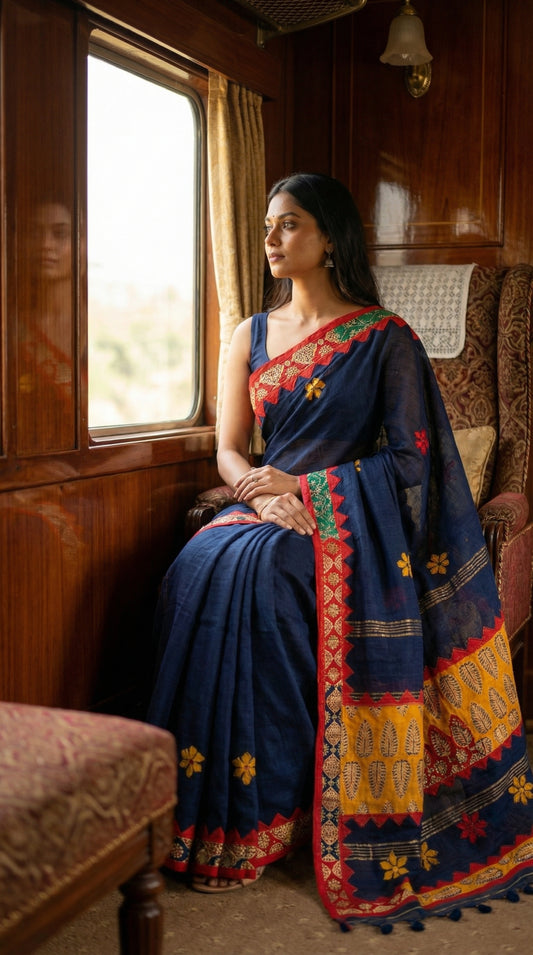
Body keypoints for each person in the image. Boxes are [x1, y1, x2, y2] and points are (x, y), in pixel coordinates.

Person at [147, 173, 533, 931]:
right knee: (196, 564)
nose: (270, 238)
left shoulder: (384, 339)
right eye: (265, 225)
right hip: (262, 508)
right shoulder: (246, 336)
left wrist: (311, 492)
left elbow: (412, 462)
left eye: (288, 224)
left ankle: (280, 807)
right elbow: (228, 451)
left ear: (329, 238)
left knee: (269, 574)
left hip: (350, 523)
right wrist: (261, 495)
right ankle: (209, 814)